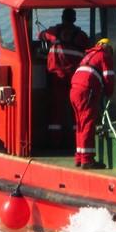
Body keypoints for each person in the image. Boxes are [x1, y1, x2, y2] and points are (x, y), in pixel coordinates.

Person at [39, 9, 89, 148]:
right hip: (75, 77)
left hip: (56, 77)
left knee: (56, 108)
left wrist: (44, 35)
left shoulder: (54, 32)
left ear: (62, 18)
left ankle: (55, 141)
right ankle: (75, 141)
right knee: (75, 108)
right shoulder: (81, 36)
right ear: (74, 19)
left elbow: (41, 35)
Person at [69, 38, 115, 168]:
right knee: (88, 123)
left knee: (80, 124)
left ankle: (79, 156)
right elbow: (108, 77)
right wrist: (109, 93)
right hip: (86, 90)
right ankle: (87, 160)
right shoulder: (105, 56)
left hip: (74, 90)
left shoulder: (89, 55)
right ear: (108, 48)